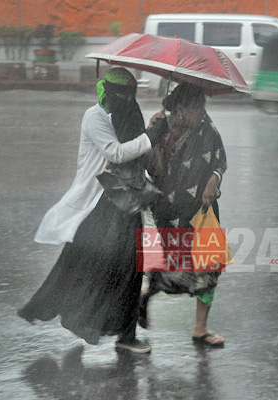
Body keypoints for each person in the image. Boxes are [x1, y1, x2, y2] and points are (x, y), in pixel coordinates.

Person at [18, 67, 167, 354]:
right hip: (99, 202)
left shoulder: (126, 116)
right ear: (108, 92)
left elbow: (140, 155)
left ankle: (125, 333)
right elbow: (116, 152)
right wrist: (150, 136)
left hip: (127, 203)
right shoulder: (95, 118)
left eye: (130, 94)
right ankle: (78, 317)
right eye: (121, 94)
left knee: (129, 269)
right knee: (86, 265)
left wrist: (153, 131)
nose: (127, 99)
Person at [141, 83, 227, 347]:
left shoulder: (207, 128)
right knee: (174, 266)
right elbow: (144, 164)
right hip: (170, 210)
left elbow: (220, 160)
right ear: (180, 109)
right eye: (197, 107)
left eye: (204, 106)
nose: (203, 111)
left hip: (203, 209)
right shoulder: (160, 128)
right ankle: (147, 295)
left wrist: (215, 178)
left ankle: (201, 328)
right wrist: (150, 134)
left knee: (211, 265)